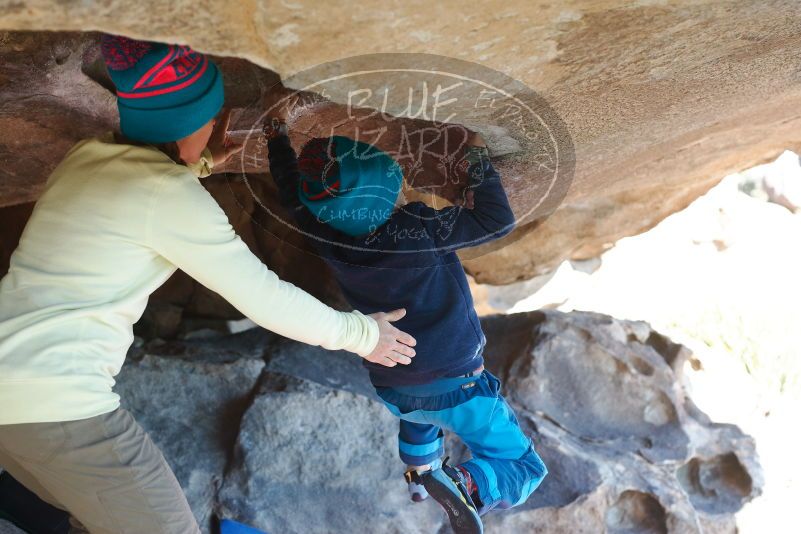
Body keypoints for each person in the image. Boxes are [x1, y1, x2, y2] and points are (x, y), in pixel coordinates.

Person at [0, 36, 416, 534]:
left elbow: (136, 192)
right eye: (213, 118)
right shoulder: (167, 196)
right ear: (182, 126)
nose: (219, 127)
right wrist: (364, 336)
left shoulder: (87, 157)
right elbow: (264, 297)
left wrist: (198, 163)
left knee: (90, 515)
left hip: (16, 392)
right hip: (55, 401)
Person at [263, 99, 548, 534]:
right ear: (391, 189)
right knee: (524, 467)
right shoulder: (419, 227)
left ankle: (422, 480)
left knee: (420, 416)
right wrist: (474, 158)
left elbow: (291, 192)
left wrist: (276, 140)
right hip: (451, 382)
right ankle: (467, 483)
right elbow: (498, 220)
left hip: (397, 382)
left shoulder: (324, 234)